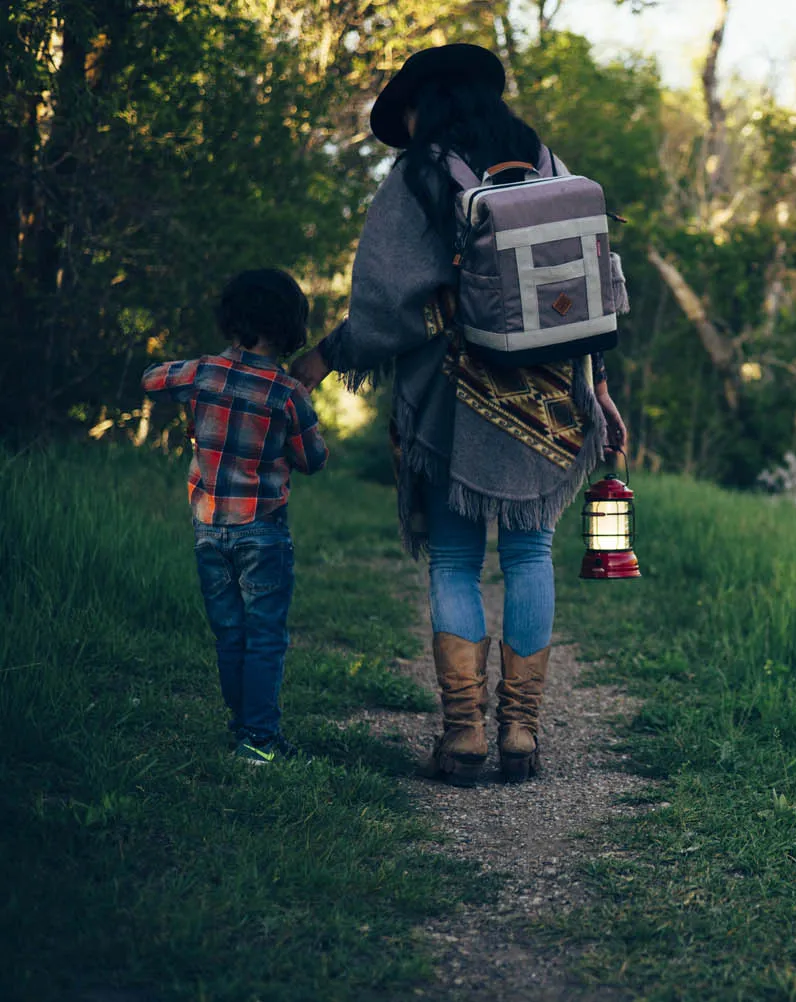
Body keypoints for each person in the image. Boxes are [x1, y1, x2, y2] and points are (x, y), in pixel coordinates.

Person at [291, 44, 627, 787]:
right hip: (547, 397)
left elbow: (388, 306)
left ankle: (465, 733)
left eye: (405, 108)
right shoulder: (542, 159)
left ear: (428, 103)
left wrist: (323, 356)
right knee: (529, 555)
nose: (403, 122)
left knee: (453, 559)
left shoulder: (417, 175)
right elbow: (588, 286)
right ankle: (522, 734)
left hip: (452, 396)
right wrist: (598, 387)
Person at [143, 269, 329, 764]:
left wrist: (192, 401)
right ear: (290, 328)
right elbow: (314, 460)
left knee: (230, 632)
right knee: (265, 634)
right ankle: (259, 740)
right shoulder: (287, 393)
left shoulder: (200, 373)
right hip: (262, 532)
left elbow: (151, 379)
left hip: (208, 529)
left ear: (231, 320)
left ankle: (242, 726)